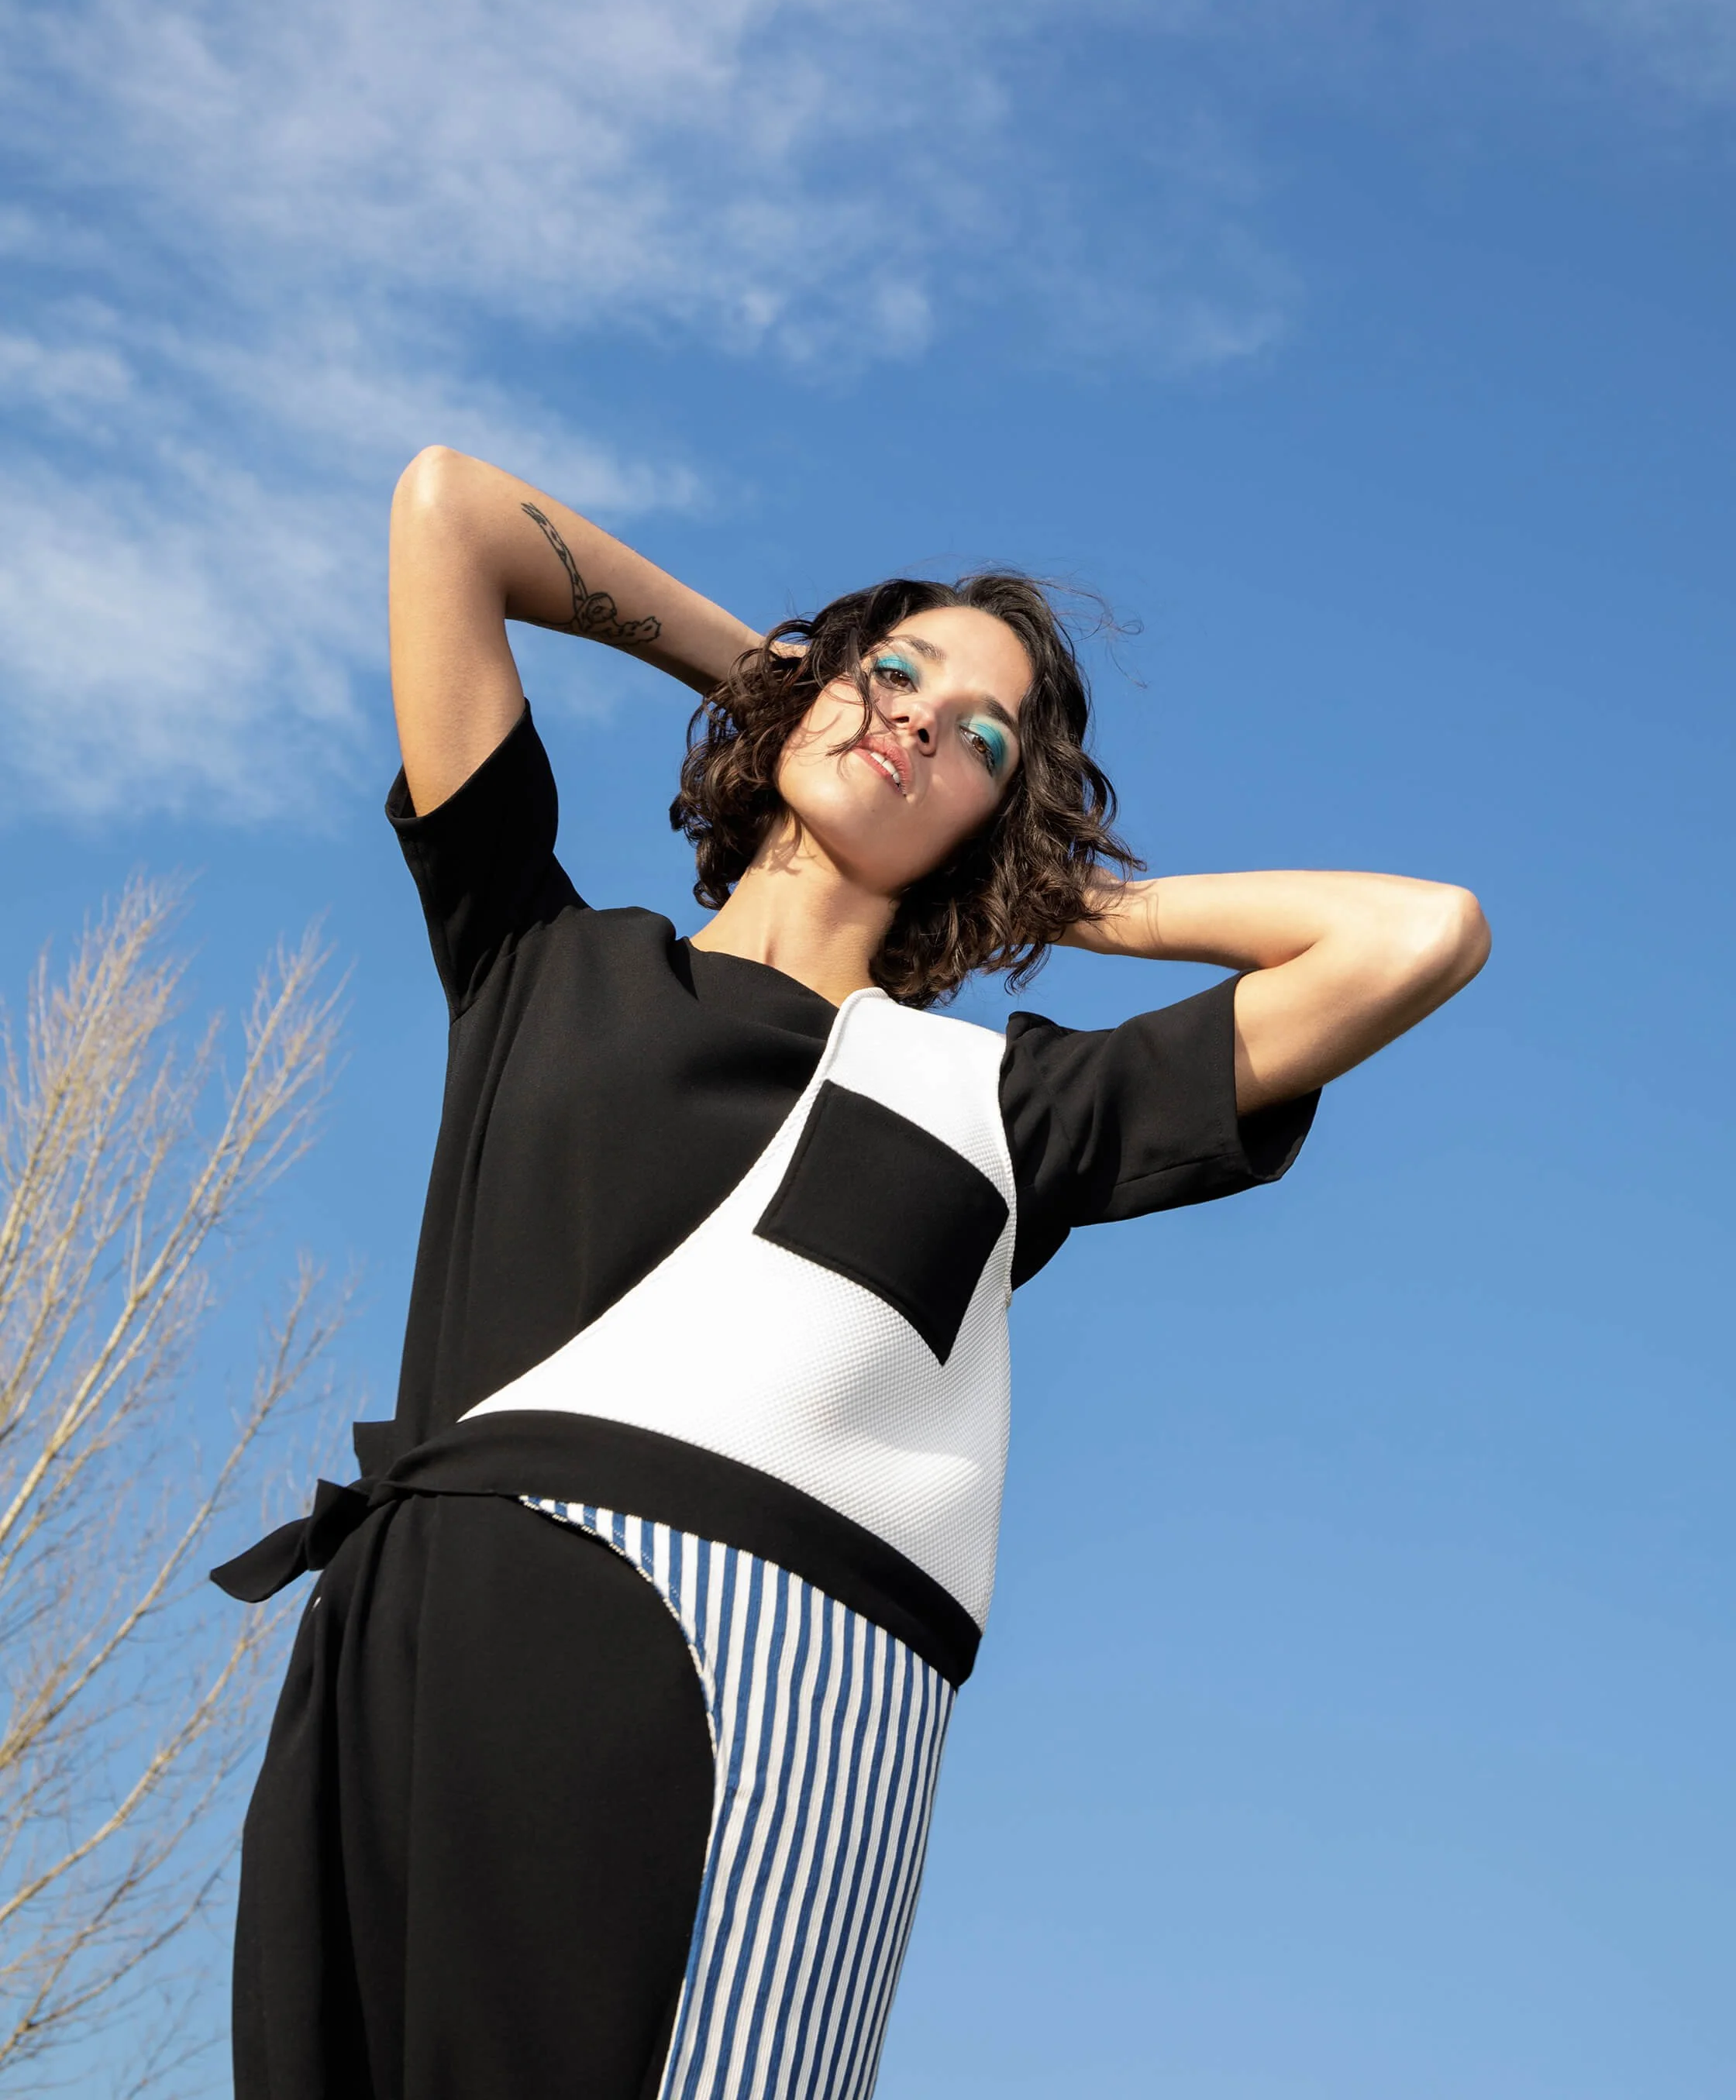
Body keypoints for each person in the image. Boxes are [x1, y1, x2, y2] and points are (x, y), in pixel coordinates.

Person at [219, 446, 1490, 2100]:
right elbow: (452, 513)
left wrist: (1068, 893)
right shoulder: (536, 954)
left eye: (981, 739)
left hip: (739, 1692)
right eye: (898, 673)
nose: (917, 722)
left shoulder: (1005, 1106)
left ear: (997, 819)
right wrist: (794, 679)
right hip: (397, 1652)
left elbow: (1417, 937)